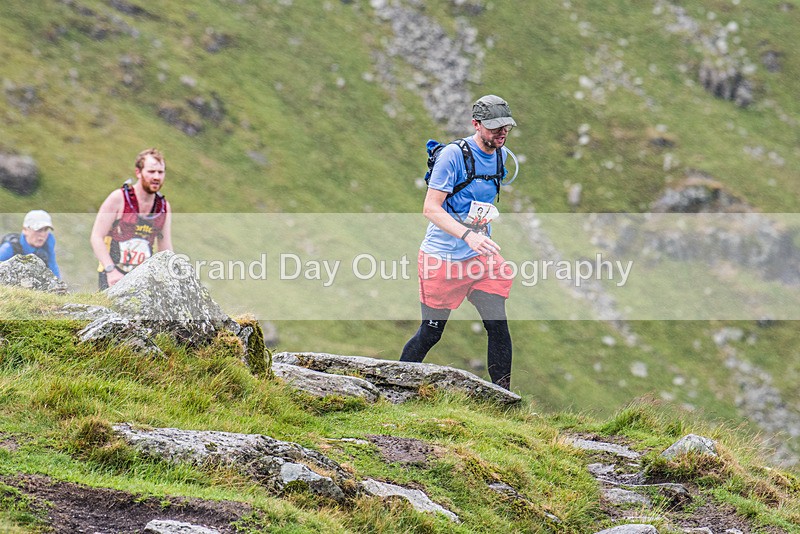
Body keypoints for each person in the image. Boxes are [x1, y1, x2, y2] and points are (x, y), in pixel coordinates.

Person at [400, 95, 517, 390]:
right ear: (476, 124)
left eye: (505, 126)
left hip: (480, 256)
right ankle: (394, 385)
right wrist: (467, 235)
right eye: (494, 126)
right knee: (431, 332)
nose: (502, 132)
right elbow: (430, 208)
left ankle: (504, 400)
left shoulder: (501, 156)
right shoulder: (453, 156)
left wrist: (479, 231)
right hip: (442, 256)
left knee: (497, 324)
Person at [90, 147, 172, 289]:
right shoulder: (119, 198)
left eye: (160, 172)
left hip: (143, 279)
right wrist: (111, 271)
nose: (156, 177)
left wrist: (170, 277)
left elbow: (165, 249)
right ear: (138, 172)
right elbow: (96, 237)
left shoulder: (163, 207)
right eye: (151, 171)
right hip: (112, 274)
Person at [0, 210, 61, 278]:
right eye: (38, 230)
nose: (42, 234)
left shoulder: (47, 248)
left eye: (46, 230)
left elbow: (56, 279)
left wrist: (50, 252)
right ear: (25, 230)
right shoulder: (9, 249)